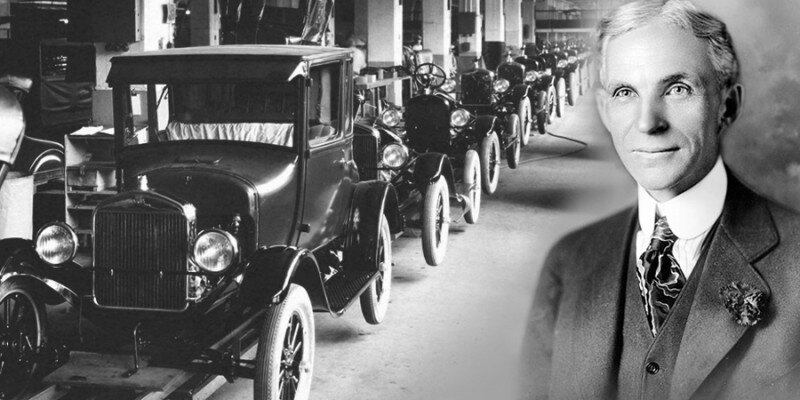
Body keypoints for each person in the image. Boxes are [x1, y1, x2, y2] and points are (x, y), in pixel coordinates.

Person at [525, 1, 800, 399]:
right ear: (605, 110)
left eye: (677, 89)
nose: (647, 122)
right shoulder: (569, 261)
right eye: (625, 92)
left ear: (727, 105)